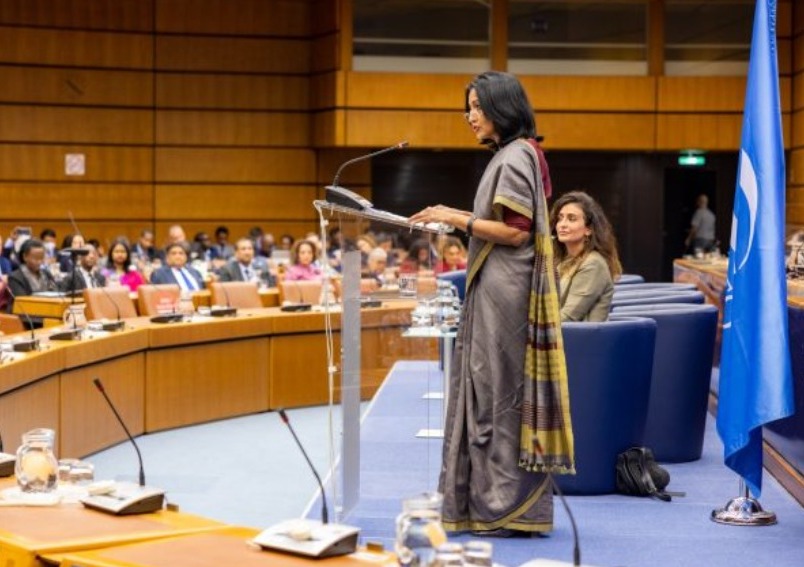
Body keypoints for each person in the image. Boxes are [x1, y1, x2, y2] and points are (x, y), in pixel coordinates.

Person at [409, 71, 573, 537]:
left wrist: (453, 216)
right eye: (469, 107)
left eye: (478, 106)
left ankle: (503, 507)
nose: (470, 115)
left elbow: (515, 232)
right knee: (486, 394)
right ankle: (482, 504)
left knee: (496, 397)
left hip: (507, 293)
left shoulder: (517, 154)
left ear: (503, 107)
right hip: (498, 287)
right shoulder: (513, 155)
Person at [551, 191, 622, 322]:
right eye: (560, 218)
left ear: (588, 229)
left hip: (580, 340)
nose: (562, 224)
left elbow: (568, 317)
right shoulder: (563, 260)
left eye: (571, 219)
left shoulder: (593, 264)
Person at [7, 239, 62, 320]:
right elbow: (23, 304)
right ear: (25, 257)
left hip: (48, 315)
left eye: (41, 258)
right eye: (36, 259)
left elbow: (57, 293)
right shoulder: (15, 277)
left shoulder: (46, 274)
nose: (39, 262)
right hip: (25, 319)